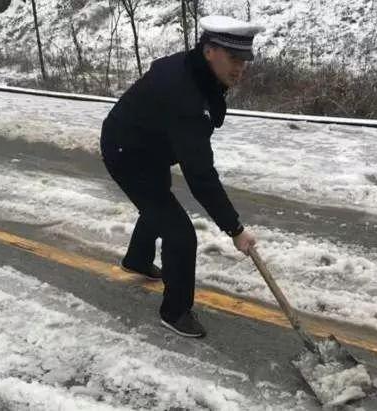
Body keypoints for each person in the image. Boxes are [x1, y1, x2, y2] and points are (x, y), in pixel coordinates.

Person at [100, 15, 263, 338]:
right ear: (209, 51)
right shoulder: (184, 95)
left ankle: (136, 259)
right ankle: (174, 311)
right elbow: (200, 175)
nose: (239, 68)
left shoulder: (196, 71)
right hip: (127, 153)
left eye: (244, 61)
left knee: (159, 199)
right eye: (233, 59)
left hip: (148, 145)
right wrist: (235, 229)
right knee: (180, 233)